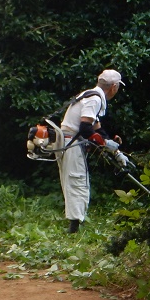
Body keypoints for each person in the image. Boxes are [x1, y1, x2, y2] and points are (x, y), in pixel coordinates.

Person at [56, 69, 125, 233]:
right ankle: (74, 229)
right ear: (114, 87)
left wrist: (116, 151)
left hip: (68, 142)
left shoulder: (91, 95)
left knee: (76, 182)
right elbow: (85, 128)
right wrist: (105, 144)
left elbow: (96, 128)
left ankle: (76, 225)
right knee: (78, 182)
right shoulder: (95, 99)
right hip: (70, 142)